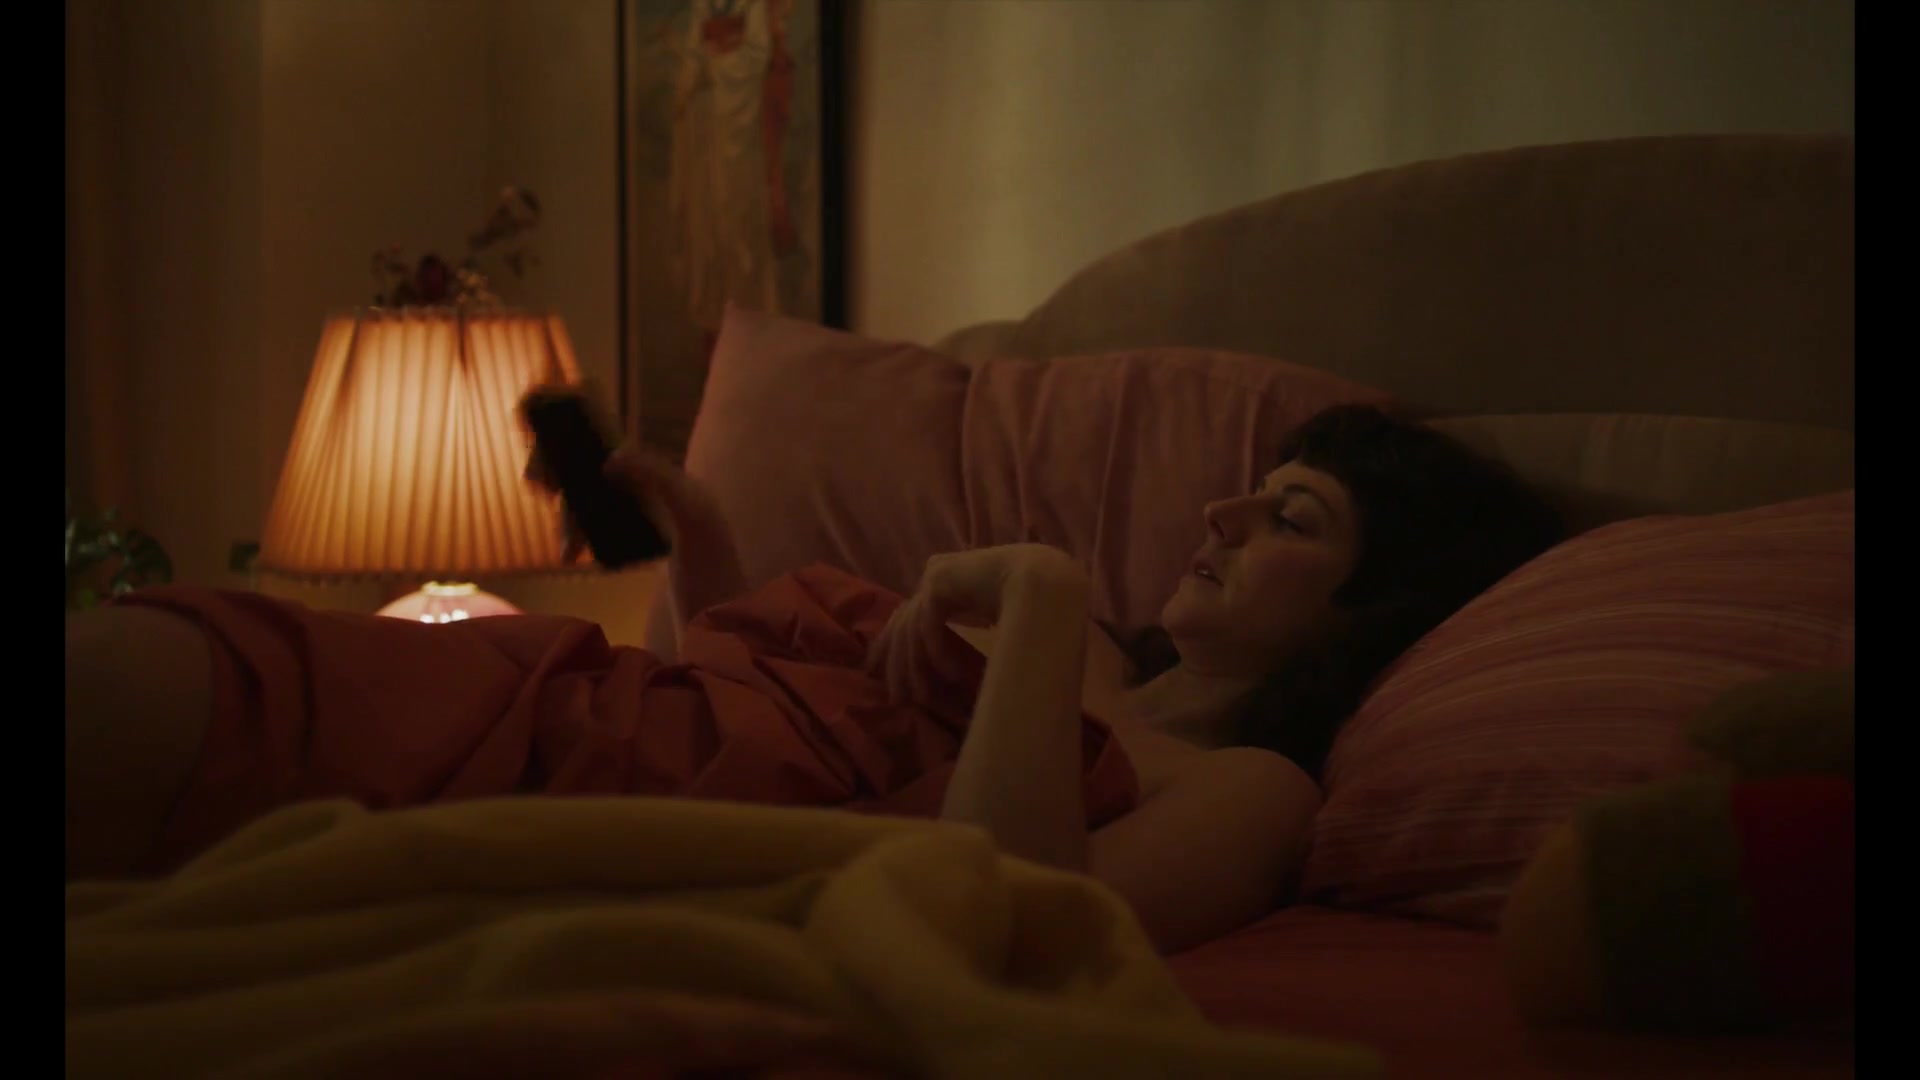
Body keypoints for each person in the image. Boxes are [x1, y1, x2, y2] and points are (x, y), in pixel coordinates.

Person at [63, 402, 1563, 954]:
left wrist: (1041, 595)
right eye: (1253, 491)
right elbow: (747, 705)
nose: (1223, 515)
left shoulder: (1250, 791)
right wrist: (710, 552)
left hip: (576, 792)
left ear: (1370, 613)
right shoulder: (1099, 654)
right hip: (554, 699)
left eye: (1292, 518)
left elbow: (997, 910)